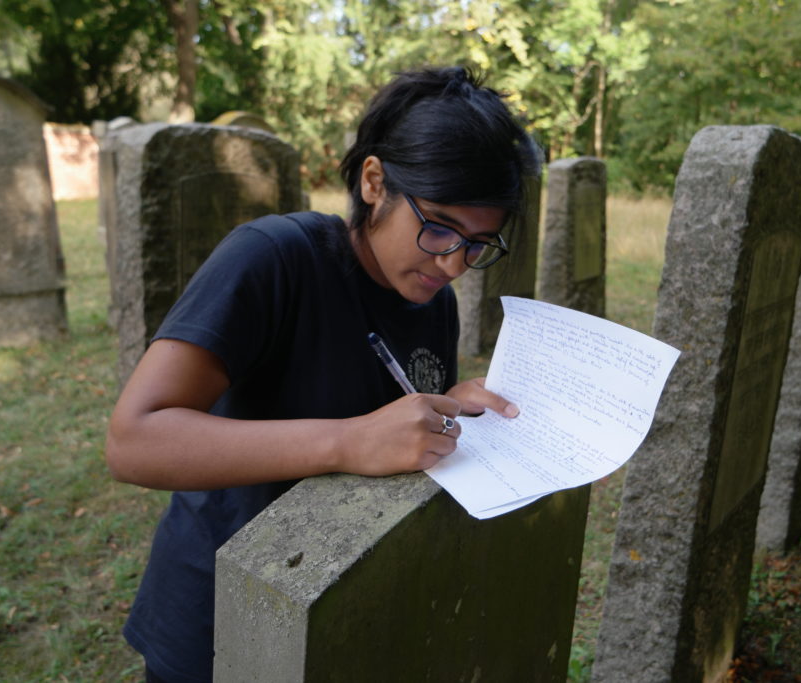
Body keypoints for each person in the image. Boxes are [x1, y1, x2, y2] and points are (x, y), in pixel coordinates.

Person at [104, 65, 542, 683]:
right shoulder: (273, 257)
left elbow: (389, 427)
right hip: (223, 616)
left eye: (478, 244)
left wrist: (446, 412)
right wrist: (349, 439)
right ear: (373, 181)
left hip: (339, 603)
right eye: (439, 225)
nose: (452, 265)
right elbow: (133, 442)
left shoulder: (431, 300)